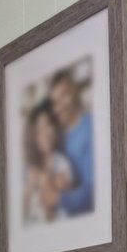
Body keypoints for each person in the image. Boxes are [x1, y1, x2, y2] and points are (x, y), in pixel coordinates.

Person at [50, 69, 95, 216]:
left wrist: (59, 198)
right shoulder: (57, 137)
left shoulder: (91, 128)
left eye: (64, 96)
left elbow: (94, 190)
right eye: (55, 102)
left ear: (74, 92)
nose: (60, 107)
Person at [23, 102, 72, 224]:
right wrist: (30, 187)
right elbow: (22, 214)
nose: (45, 133)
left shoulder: (62, 162)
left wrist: (50, 185)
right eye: (39, 130)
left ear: (55, 129)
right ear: (34, 137)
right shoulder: (28, 170)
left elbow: (66, 202)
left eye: (48, 126)